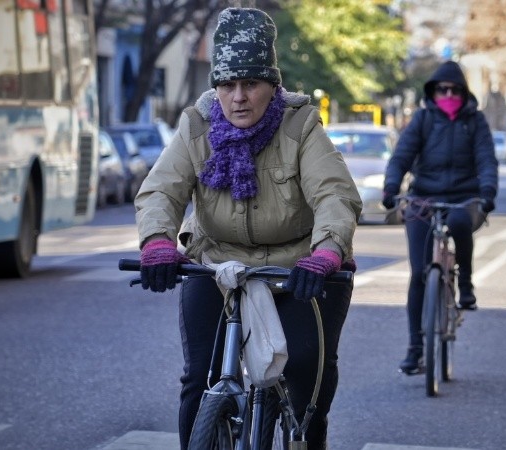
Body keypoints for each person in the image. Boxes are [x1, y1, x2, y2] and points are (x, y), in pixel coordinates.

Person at [133, 8, 362, 449]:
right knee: (196, 378)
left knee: (306, 372)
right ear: (215, 87)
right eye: (227, 84)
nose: (238, 97)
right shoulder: (196, 126)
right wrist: (158, 243)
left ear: (272, 86)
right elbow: (160, 191)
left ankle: (309, 437)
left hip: (300, 269)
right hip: (218, 264)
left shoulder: (301, 126)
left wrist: (327, 253)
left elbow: (335, 196)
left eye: (251, 84)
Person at [381, 60, 498, 374]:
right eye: (442, 89)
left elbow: (486, 159)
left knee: (460, 223)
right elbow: (402, 155)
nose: (448, 94)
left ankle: (467, 283)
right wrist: (391, 186)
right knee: (419, 271)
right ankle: (415, 348)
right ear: (433, 91)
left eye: (454, 90)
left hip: (464, 196)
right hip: (424, 196)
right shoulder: (423, 119)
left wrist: (488, 192)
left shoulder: (475, 122)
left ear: (463, 92)